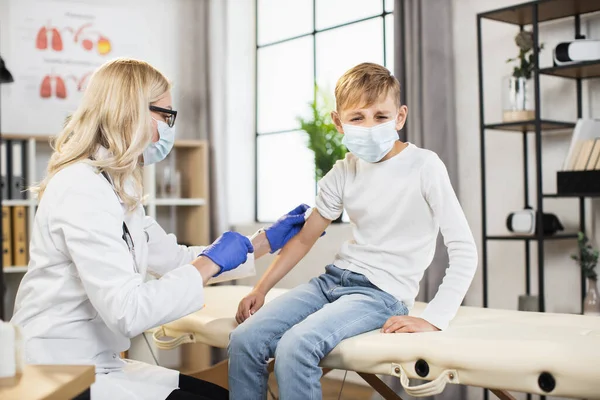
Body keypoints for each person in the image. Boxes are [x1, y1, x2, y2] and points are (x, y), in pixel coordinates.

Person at [10, 57, 311, 400]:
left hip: (97, 362)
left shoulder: (118, 186)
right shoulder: (81, 188)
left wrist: (263, 242)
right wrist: (209, 262)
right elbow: (127, 311)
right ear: (130, 112)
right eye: (165, 114)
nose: (169, 126)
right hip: (55, 369)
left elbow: (177, 259)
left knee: (215, 395)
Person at [228, 62, 478, 400]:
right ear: (338, 122)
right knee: (245, 340)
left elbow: (464, 250)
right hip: (332, 281)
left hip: (381, 294)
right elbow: (304, 237)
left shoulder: (425, 167)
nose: (370, 126)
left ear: (400, 117)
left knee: (296, 347)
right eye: (357, 118)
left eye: (381, 116)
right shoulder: (342, 172)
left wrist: (435, 318)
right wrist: (260, 288)